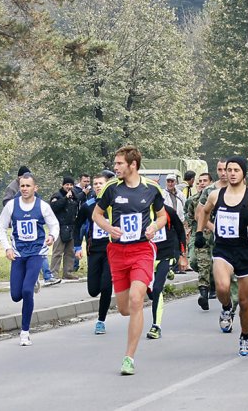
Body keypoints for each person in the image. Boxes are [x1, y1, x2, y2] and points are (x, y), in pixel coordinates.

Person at [92, 145, 167, 376]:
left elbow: (163, 216)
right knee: (124, 308)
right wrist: (108, 228)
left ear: (132, 165)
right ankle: (141, 290)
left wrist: (154, 226)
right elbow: (97, 214)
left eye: (119, 164)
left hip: (142, 251)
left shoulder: (151, 188)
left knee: (136, 300)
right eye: (115, 164)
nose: (115, 168)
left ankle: (129, 358)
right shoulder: (111, 189)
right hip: (117, 253)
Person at [196, 156, 248, 356]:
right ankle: (226, 307)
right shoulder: (216, 195)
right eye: (229, 170)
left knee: (244, 301)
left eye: (236, 170)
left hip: (245, 251)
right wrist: (200, 232)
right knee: (222, 286)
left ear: (244, 173)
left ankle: (245, 336)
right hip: (223, 250)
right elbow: (203, 212)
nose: (232, 173)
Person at [0, 173, 59, 346]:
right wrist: (7, 247)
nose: (24, 189)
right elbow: (0, 226)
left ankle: (25, 332)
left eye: (28, 186)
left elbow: (54, 224)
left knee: (26, 291)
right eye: (22, 186)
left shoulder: (43, 206)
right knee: (16, 295)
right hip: (18, 252)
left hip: (37, 252)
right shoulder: (11, 205)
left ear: (35, 188)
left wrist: (52, 236)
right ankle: (33, 283)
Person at [74, 172, 112, 334]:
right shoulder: (88, 205)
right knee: (93, 290)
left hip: (112, 251)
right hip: (94, 251)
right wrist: (77, 247)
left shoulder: (115, 204)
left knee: (106, 285)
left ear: (107, 185)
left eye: (100, 183)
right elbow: (77, 225)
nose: (97, 186)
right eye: (95, 184)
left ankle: (101, 321)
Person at [146, 203, 187, 339]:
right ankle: (168, 273)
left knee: (157, 289)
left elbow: (180, 230)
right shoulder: (139, 209)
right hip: (147, 257)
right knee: (151, 292)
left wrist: (182, 254)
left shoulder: (167, 211)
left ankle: (156, 326)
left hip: (166, 255)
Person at [195, 159, 228, 309]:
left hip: (229, 237)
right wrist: (209, 228)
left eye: (225, 169)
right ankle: (203, 292)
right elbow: (199, 213)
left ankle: (224, 297)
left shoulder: (238, 189)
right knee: (202, 262)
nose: (223, 173)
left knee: (223, 267)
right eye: (219, 170)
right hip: (210, 232)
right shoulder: (210, 191)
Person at [49, 176, 81, 280]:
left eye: (71, 185)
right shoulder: (57, 195)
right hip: (59, 227)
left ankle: (68, 272)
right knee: (58, 252)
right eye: (67, 184)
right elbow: (54, 207)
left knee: (70, 252)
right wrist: (65, 198)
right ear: (63, 185)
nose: (69, 187)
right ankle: (53, 273)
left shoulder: (74, 195)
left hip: (71, 226)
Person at [185, 173, 212, 273]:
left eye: (205, 181)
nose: (202, 183)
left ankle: (207, 283)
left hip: (212, 233)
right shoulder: (192, 200)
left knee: (213, 261)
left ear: (211, 183)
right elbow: (188, 215)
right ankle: (203, 273)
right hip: (196, 232)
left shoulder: (217, 197)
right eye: (200, 181)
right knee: (193, 261)